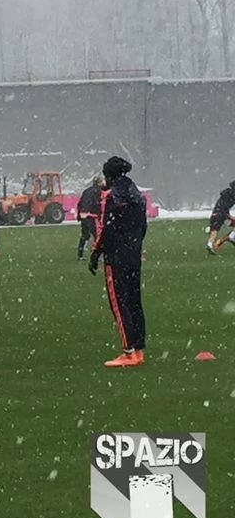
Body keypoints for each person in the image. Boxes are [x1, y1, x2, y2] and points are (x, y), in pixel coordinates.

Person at [89, 156, 147, 368]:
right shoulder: (136, 195)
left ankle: (128, 351)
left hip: (116, 256)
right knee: (134, 302)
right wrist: (135, 246)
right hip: (133, 255)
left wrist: (96, 252)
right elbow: (143, 226)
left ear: (109, 175)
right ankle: (139, 349)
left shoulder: (111, 195)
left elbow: (106, 227)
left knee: (119, 303)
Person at [77, 175, 105, 261]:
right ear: (99, 183)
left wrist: (79, 215)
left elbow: (80, 203)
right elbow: (99, 204)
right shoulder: (99, 192)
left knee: (85, 235)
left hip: (84, 215)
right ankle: (98, 256)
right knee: (98, 236)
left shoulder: (86, 191)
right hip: (93, 216)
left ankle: (80, 255)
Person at [207, 180, 235, 254]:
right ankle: (231, 237)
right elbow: (225, 207)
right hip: (224, 216)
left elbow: (222, 205)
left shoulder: (226, 193)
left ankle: (209, 245)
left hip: (215, 215)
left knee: (214, 232)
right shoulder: (233, 195)